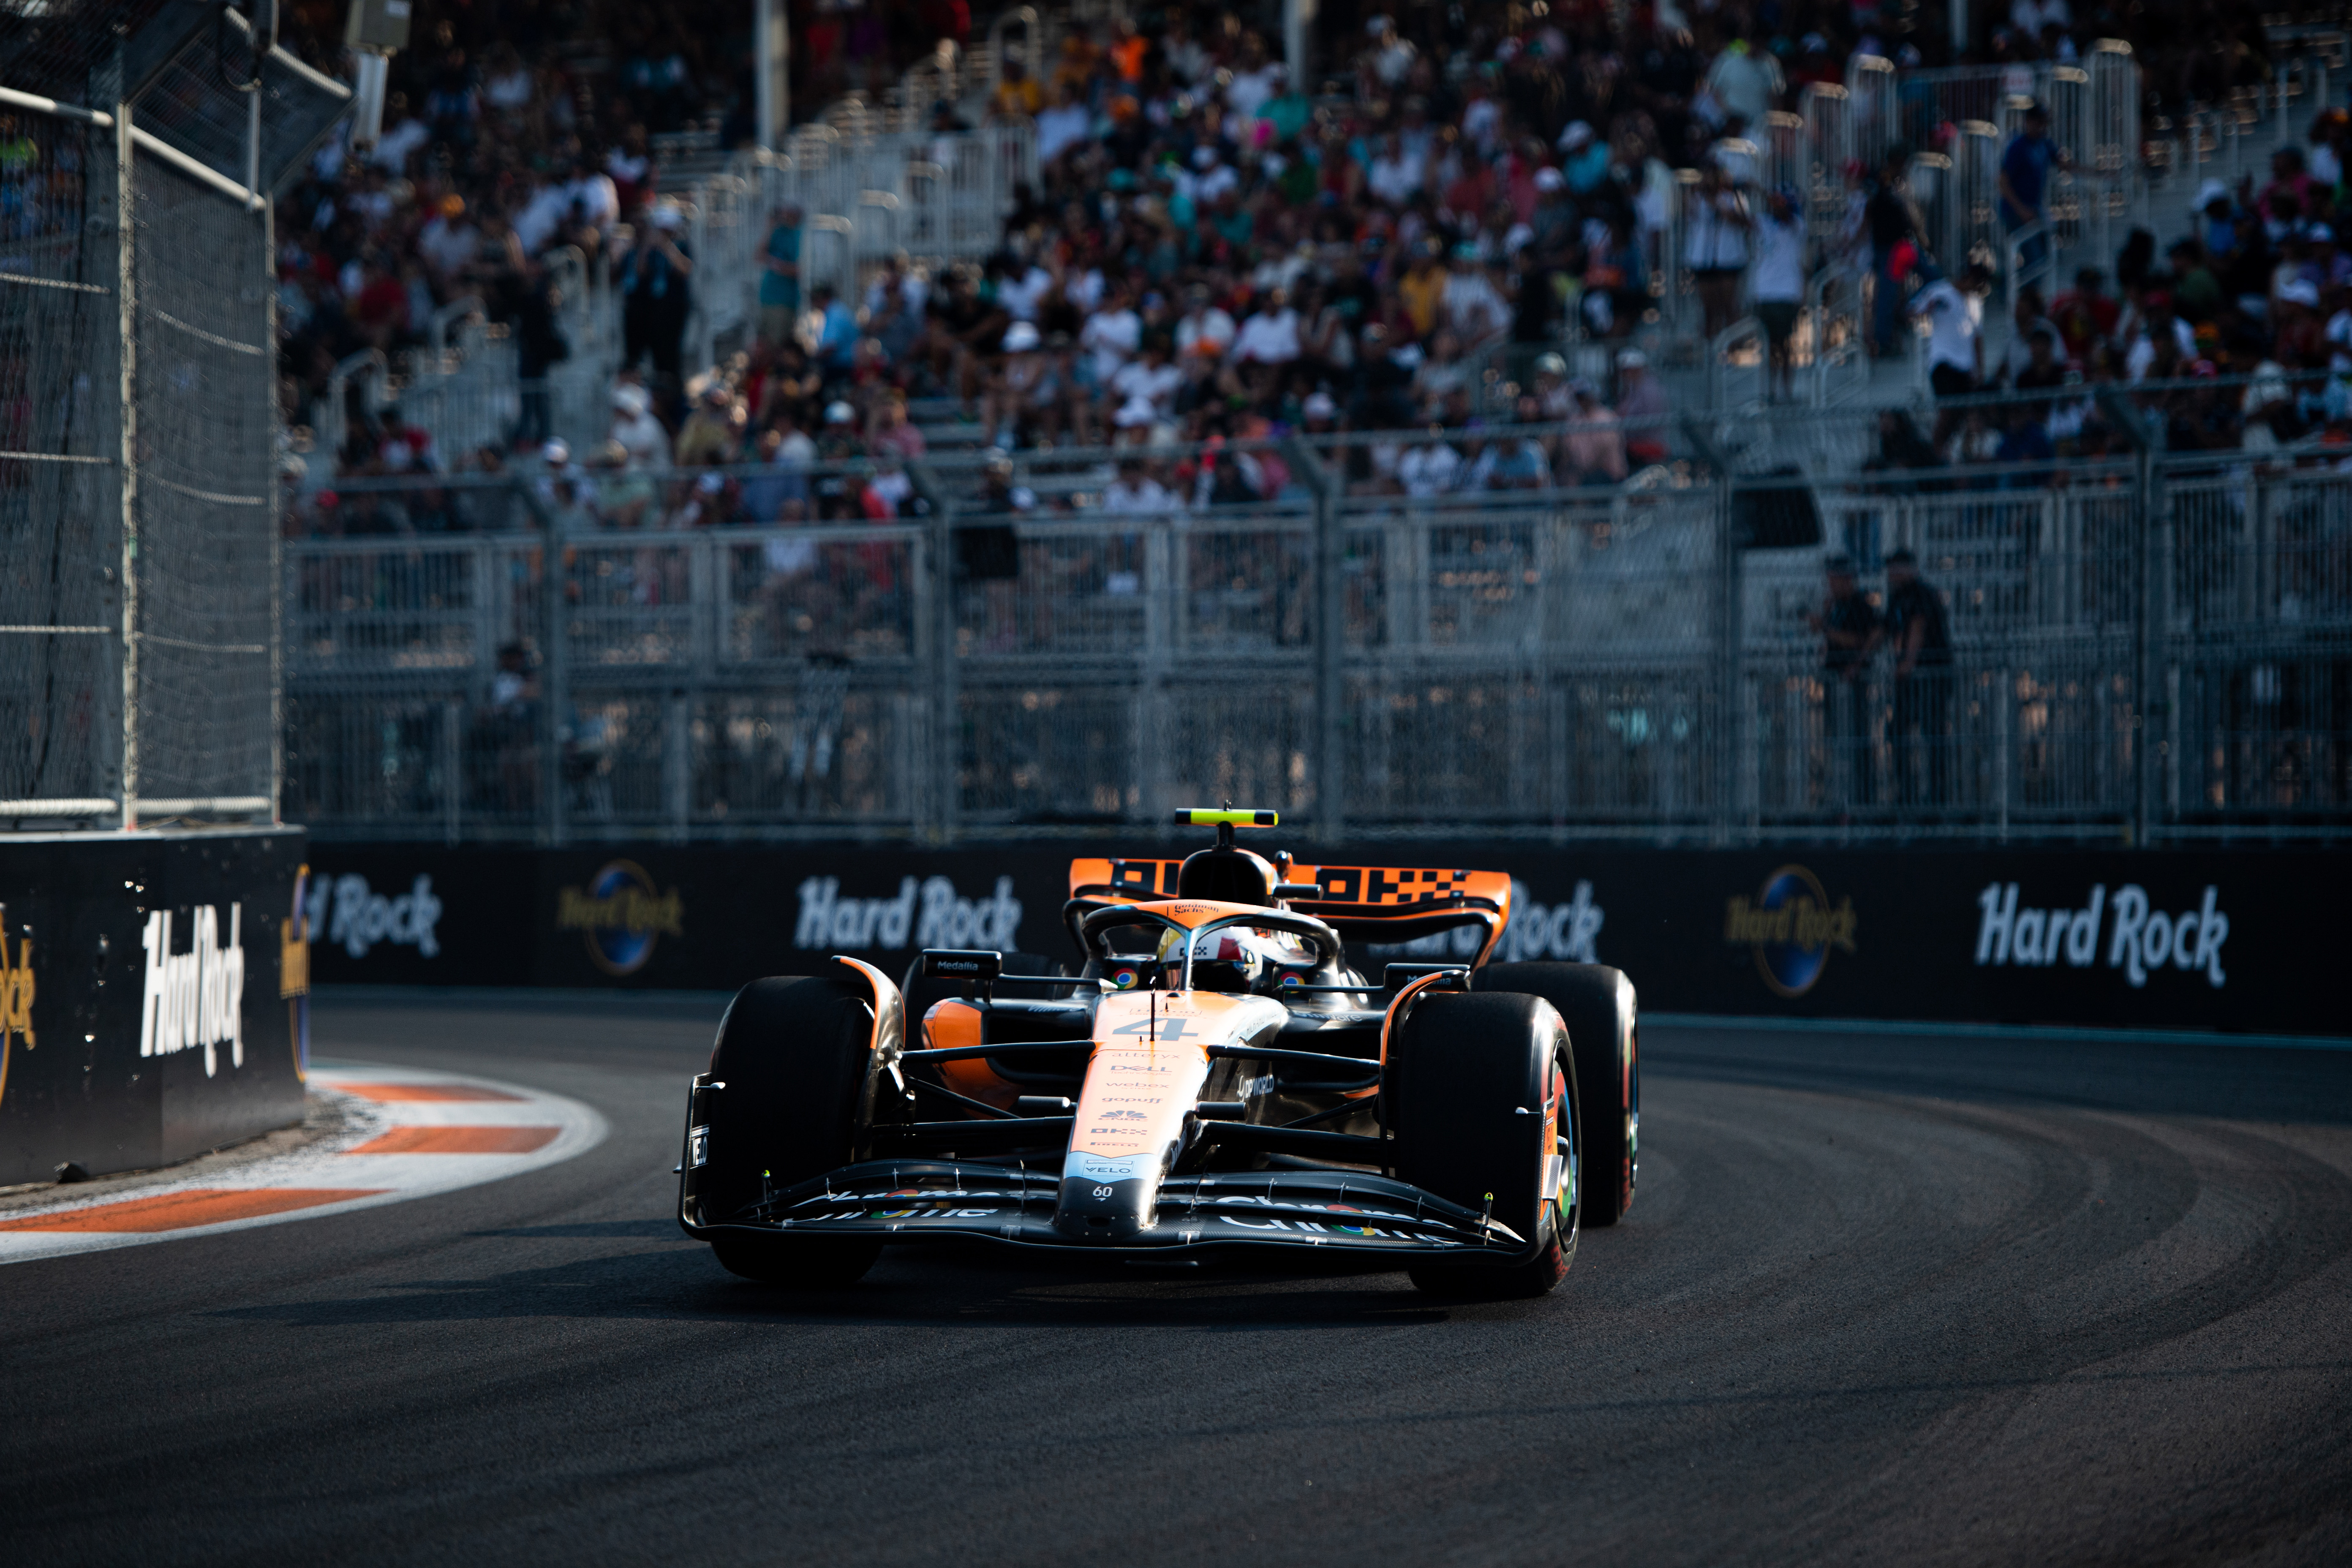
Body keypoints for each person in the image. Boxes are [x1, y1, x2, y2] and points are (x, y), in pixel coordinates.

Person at [1882, 548, 1953, 808]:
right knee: (1897, 732)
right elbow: (1888, 629)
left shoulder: (1921, 593)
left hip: (1930, 676)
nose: (1891, 574)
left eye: (1896, 568)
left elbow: (1918, 628)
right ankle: (1908, 792)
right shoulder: (1896, 597)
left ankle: (1936, 796)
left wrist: (1908, 663)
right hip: (1910, 682)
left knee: (1932, 735)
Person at [1809, 554, 1879, 809]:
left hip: (1852, 685)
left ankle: (1861, 801)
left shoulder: (1861, 606)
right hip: (1835, 684)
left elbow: (1862, 641)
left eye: (1834, 579)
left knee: (1856, 741)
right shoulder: (1835, 606)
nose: (1830, 584)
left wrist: (1827, 630)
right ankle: (1843, 799)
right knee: (1839, 742)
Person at [1751, 188, 1806, 400]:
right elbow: (1740, 219)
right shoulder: (1763, 223)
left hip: (1787, 294)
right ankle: (1770, 391)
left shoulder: (1797, 226)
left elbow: (1789, 217)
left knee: (1784, 345)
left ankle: (1787, 391)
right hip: (1765, 293)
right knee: (1768, 345)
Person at [1999, 103, 2064, 274]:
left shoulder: (2044, 143)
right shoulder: (2018, 147)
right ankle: (2017, 295)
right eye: (2037, 122)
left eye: (2044, 122)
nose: (2041, 126)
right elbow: (2003, 182)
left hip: (2035, 210)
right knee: (2034, 258)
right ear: (2027, 122)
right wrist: (2021, 211)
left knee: (2050, 252)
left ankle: (2030, 291)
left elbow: (2065, 164)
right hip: (2015, 210)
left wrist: (2099, 172)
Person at [758, 204, 803, 347]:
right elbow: (758, 257)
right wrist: (769, 229)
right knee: (763, 344)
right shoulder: (777, 233)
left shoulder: (800, 235)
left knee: (777, 345)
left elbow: (801, 270)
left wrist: (778, 266)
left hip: (784, 302)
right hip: (766, 298)